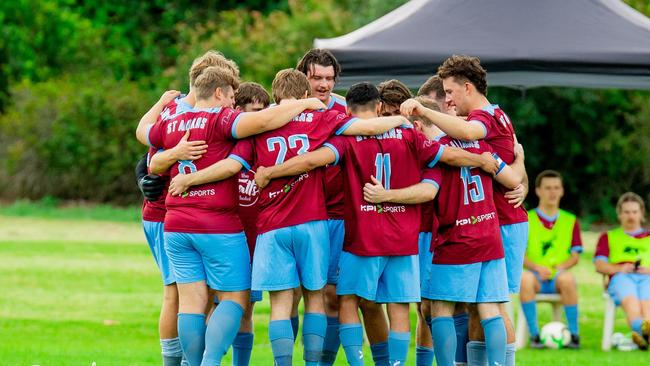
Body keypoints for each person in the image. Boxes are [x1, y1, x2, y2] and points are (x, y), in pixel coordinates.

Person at [254, 81, 500, 365]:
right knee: (399, 309)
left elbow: (310, 161)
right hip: (404, 240)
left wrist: (271, 172)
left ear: (347, 110)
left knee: (347, 302)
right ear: (380, 106)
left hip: (363, 238)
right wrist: (480, 160)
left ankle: (357, 362)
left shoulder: (345, 140)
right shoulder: (409, 135)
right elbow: (447, 155)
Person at [136, 66, 326, 366]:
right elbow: (262, 121)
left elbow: (144, 136)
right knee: (235, 299)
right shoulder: (222, 119)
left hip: (176, 224)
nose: (232, 102)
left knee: (191, 304)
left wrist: (161, 108)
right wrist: (302, 103)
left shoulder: (172, 120)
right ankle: (210, 362)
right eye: (231, 96)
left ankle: (191, 363)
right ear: (220, 92)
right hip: (216, 224)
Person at [401, 54, 528, 365]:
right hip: (491, 227)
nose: (448, 100)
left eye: (449, 92)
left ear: (467, 87)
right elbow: (510, 172)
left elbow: (465, 137)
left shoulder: (465, 132)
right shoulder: (494, 122)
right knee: (486, 306)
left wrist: (385, 195)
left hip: (476, 229)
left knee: (452, 307)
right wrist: (521, 174)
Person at [133, 50, 236, 366]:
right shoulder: (180, 111)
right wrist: (145, 175)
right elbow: (153, 157)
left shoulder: (175, 109)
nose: (232, 97)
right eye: (229, 89)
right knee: (177, 294)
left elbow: (149, 150)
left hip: (184, 214)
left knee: (197, 296)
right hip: (168, 213)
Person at [296, 49, 347, 364]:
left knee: (331, 295)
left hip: (338, 216)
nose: (324, 84)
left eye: (329, 78)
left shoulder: (346, 110)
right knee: (290, 297)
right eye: (317, 78)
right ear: (304, 77)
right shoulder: (283, 109)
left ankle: (320, 361)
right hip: (295, 215)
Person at [520, 170, 582, 349]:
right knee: (525, 279)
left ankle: (574, 335)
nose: (552, 192)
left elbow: (575, 256)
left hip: (558, 276)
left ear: (562, 191)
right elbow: (519, 255)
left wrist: (561, 266)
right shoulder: (526, 218)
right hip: (535, 276)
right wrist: (537, 268)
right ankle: (535, 336)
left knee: (568, 279)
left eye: (556, 188)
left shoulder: (570, 220)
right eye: (547, 188)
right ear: (538, 191)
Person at [594, 192, 650, 350]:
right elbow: (599, 265)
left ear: (641, 213)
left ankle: (642, 336)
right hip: (621, 277)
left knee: (647, 303)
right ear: (619, 214)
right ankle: (642, 332)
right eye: (626, 212)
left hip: (647, 277)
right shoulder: (608, 237)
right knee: (631, 301)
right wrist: (620, 268)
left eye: (634, 212)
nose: (630, 216)